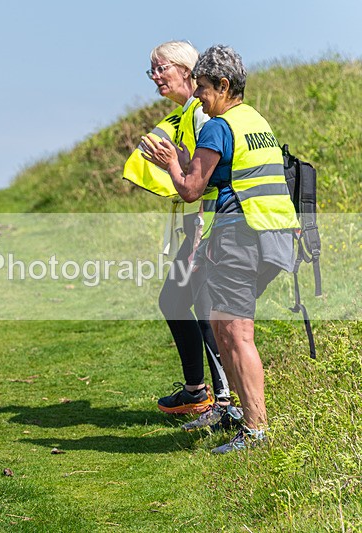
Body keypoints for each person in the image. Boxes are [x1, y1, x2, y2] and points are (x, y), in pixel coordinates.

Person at [142, 45, 299, 453]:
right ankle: (238, 414)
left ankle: (254, 428)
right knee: (221, 324)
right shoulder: (256, 121)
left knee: (235, 331)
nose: (197, 96)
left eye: (204, 88)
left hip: (240, 234)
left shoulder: (218, 125)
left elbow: (191, 189)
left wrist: (171, 162)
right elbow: (240, 176)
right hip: (275, 233)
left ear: (224, 85)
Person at [123, 41, 232, 429]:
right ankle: (198, 392)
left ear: (186, 71)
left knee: (202, 308)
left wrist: (200, 237)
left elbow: (203, 183)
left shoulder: (203, 116)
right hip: (197, 225)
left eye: (160, 68)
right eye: (150, 69)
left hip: (209, 225)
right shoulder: (186, 113)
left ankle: (221, 400)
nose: (154, 76)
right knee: (174, 300)